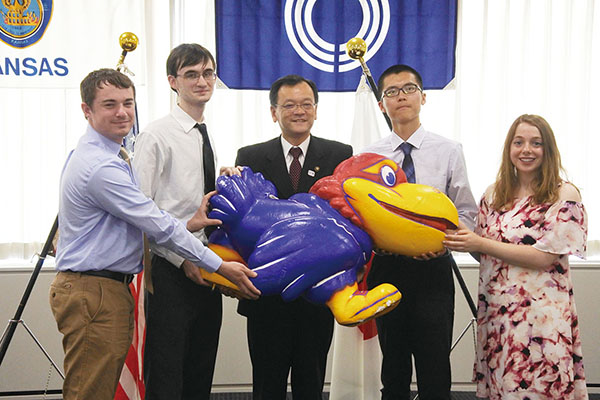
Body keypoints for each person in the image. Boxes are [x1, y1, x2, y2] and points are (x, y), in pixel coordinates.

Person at [49, 68, 260, 400]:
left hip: (102, 288)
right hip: (96, 290)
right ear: (86, 110)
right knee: (91, 392)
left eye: (128, 103)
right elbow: (155, 222)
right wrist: (219, 265)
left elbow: (136, 223)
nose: (122, 113)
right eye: (109, 104)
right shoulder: (101, 167)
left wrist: (189, 225)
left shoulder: (109, 154)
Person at [443, 114, 588, 399]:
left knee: (542, 389)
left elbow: (544, 257)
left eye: (536, 143)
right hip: (498, 316)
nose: (526, 150)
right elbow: (483, 253)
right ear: (509, 148)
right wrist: (453, 230)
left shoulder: (564, 194)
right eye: (518, 142)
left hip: (542, 320)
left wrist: (480, 242)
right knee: (503, 389)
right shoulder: (493, 195)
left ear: (548, 149)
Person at [361, 64, 478, 399]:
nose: (401, 97)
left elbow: (466, 212)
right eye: (392, 92)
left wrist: (445, 244)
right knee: (393, 368)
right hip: (387, 269)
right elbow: (362, 215)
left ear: (423, 97)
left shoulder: (449, 150)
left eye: (409, 89)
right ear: (382, 104)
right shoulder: (369, 157)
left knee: (434, 368)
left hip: (433, 271)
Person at [235, 74, 353, 399]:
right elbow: (243, 222)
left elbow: (347, 215)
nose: (299, 111)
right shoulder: (250, 157)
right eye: (289, 105)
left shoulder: (339, 154)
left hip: (316, 294)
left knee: (310, 384)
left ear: (316, 110)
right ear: (274, 112)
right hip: (266, 296)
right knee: (267, 385)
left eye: (306, 104)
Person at [132, 43, 233, 400]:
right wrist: (182, 257)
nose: (202, 81)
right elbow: (141, 212)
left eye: (208, 73)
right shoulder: (156, 135)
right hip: (171, 270)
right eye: (191, 74)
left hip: (207, 264)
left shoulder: (204, 132)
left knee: (200, 373)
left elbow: (193, 200)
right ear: (172, 81)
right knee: (167, 376)